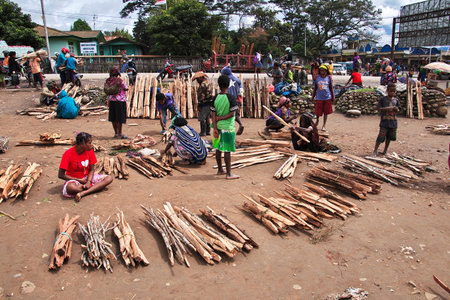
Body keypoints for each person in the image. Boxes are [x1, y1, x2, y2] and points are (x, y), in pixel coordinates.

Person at [58, 132, 113, 201]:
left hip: (87, 178)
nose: (91, 145)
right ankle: (95, 188)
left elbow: (91, 170)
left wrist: (88, 182)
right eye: (89, 143)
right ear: (82, 144)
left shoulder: (90, 151)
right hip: (74, 179)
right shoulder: (68, 154)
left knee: (109, 178)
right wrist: (78, 179)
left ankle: (84, 193)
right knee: (71, 188)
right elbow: (61, 175)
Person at [211, 75, 239, 180]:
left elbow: (213, 115)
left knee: (218, 149)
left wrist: (214, 127)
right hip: (228, 128)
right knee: (227, 150)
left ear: (219, 85)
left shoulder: (215, 97)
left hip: (217, 128)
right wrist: (220, 118)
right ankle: (229, 173)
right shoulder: (231, 98)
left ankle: (220, 169)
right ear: (228, 85)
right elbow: (232, 114)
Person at [373, 83, 400, 156]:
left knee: (389, 137)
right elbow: (378, 108)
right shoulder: (383, 100)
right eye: (391, 91)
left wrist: (396, 109)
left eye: (394, 91)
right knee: (380, 137)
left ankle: (385, 150)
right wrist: (388, 108)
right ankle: (375, 150)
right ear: (387, 91)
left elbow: (399, 109)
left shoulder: (396, 100)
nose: (392, 93)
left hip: (393, 122)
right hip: (384, 122)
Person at [106, 66, 128, 139]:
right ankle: (120, 133)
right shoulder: (119, 80)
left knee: (113, 118)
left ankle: (115, 133)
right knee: (119, 118)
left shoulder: (108, 80)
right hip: (120, 101)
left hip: (112, 100)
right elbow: (126, 88)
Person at [220, 65, 244, 135]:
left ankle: (230, 129)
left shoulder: (224, 80)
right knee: (236, 115)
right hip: (236, 100)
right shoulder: (238, 80)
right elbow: (241, 92)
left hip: (227, 99)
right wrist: (239, 101)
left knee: (228, 115)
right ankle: (241, 124)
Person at [311, 64, 335, 131]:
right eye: (321, 70)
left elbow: (331, 88)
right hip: (319, 97)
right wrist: (313, 97)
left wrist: (333, 97)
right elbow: (315, 88)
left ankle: (324, 125)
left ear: (326, 71)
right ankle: (317, 121)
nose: (322, 72)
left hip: (327, 97)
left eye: (323, 71)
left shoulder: (329, 78)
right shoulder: (317, 78)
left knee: (326, 113)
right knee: (318, 112)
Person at [192, 71, 213, 136]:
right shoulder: (209, 83)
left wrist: (199, 105)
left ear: (201, 77)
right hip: (210, 103)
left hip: (204, 103)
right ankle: (208, 131)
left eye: (198, 79)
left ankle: (203, 131)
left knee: (202, 118)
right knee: (207, 117)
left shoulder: (202, 85)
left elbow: (201, 96)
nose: (197, 81)